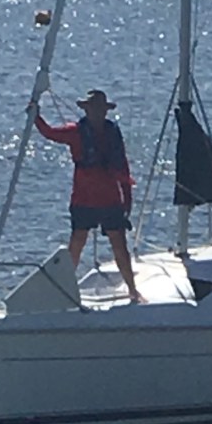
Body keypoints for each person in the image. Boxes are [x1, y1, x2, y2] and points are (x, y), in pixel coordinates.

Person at [29, 88, 142, 303]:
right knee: (77, 244)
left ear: (105, 111)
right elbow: (50, 133)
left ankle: (132, 291)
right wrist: (36, 116)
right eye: (93, 108)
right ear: (86, 110)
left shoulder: (113, 134)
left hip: (110, 200)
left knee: (119, 246)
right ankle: (64, 292)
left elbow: (123, 168)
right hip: (84, 199)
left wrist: (127, 199)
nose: (97, 112)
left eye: (100, 109)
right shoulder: (76, 132)